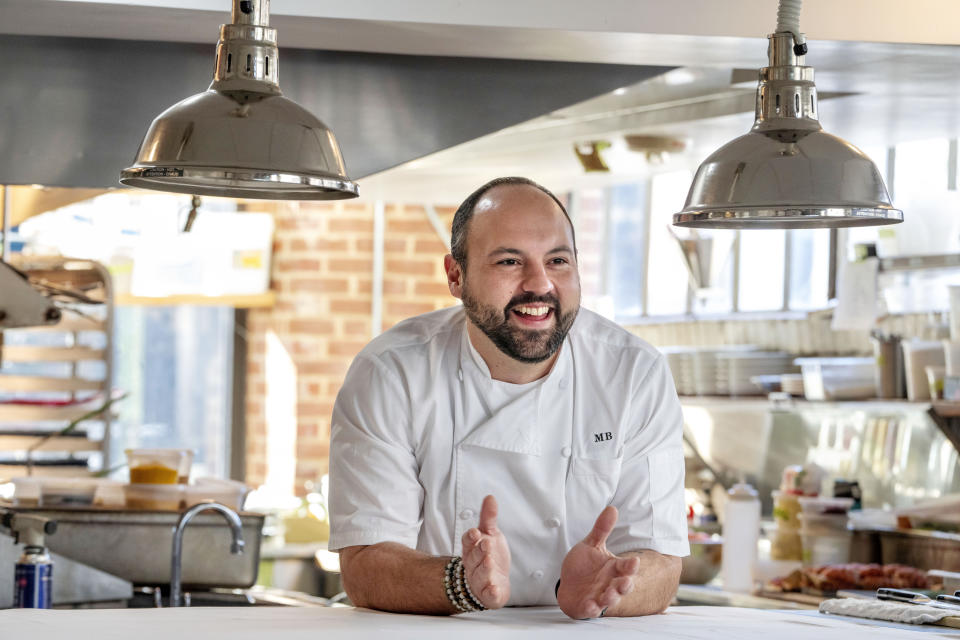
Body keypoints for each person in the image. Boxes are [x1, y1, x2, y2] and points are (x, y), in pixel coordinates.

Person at [328, 176, 689, 619]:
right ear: (455, 276)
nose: (539, 285)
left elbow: (662, 562)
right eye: (509, 262)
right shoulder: (392, 372)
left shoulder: (633, 373)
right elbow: (365, 565)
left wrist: (607, 593)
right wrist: (464, 582)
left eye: (558, 260)